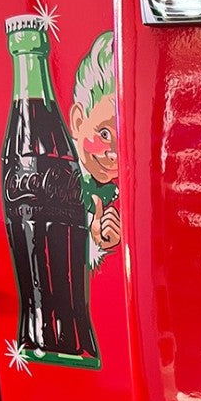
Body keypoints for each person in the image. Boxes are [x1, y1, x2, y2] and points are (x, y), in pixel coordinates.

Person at [68, 30, 120, 267]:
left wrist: (106, 243)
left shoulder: (118, 191)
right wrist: (92, 242)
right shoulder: (59, 181)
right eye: (104, 133)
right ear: (78, 121)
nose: (113, 154)